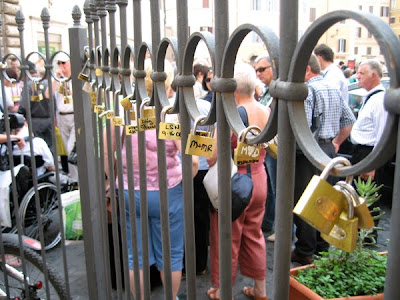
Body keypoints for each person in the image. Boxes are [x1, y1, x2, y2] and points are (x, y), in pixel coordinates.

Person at [106, 62, 199, 300]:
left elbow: (108, 154)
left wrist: (114, 180)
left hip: (129, 191)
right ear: (166, 85)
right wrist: (185, 181)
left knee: (134, 254)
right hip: (168, 191)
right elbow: (194, 161)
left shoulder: (123, 112)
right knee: (171, 253)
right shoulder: (170, 115)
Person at [207, 63, 270, 300]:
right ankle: (260, 289)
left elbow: (212, 157)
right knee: (254, 234)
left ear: (232, 89)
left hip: (234, 184)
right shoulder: (266, 112)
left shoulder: (230, 116)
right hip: (259, 180)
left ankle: (223, 291)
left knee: (227, 237)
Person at [291, 54, 356, 265]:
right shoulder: (332, 88)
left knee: (306, 199)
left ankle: (305, 250)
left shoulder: (307, 90)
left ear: (307, 70)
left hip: (309, 151)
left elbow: (302, 128)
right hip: (328, 149)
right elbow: (349, 119)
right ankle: (321, 245)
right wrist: (336, 142)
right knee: (324, 198)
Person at [350, 59, 388, 241]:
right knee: (360, 196)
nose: (357, 76)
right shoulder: (372, 96)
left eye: (362, 73)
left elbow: (382, 135)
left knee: (368, 197)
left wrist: (373, 164)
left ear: (374, 75)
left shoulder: (380, 99)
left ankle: (367, 237)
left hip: (369, 153)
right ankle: (361, 233)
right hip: (362, 152)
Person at [46, 52, 77, 183]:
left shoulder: (75, 78)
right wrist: (57, 78)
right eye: (59, 63)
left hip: (74, 116)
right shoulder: (58, 79)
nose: (61, 66)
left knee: (71, 148)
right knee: (67, 148)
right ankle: (74, 178)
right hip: (62, 116)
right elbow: (47, 94)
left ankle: (78, 177)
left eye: (63, 63)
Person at [254, 55, 276, 242]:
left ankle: (285, 229)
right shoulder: (268, 92)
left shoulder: (277, 91)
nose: (259, 73)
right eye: (256, 70)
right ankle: (269, 222)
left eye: (262, 69)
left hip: (276, 146)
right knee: (270, 187)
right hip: (267, 146)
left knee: (277, 189)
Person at [19, 61, 53, 150]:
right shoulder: (46, 83)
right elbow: (54, 102)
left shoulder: (29, 85)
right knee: (50, 148)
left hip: (34, 121)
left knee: (38, 148)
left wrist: (22, 117)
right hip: (49, 119)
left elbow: (24, 105)